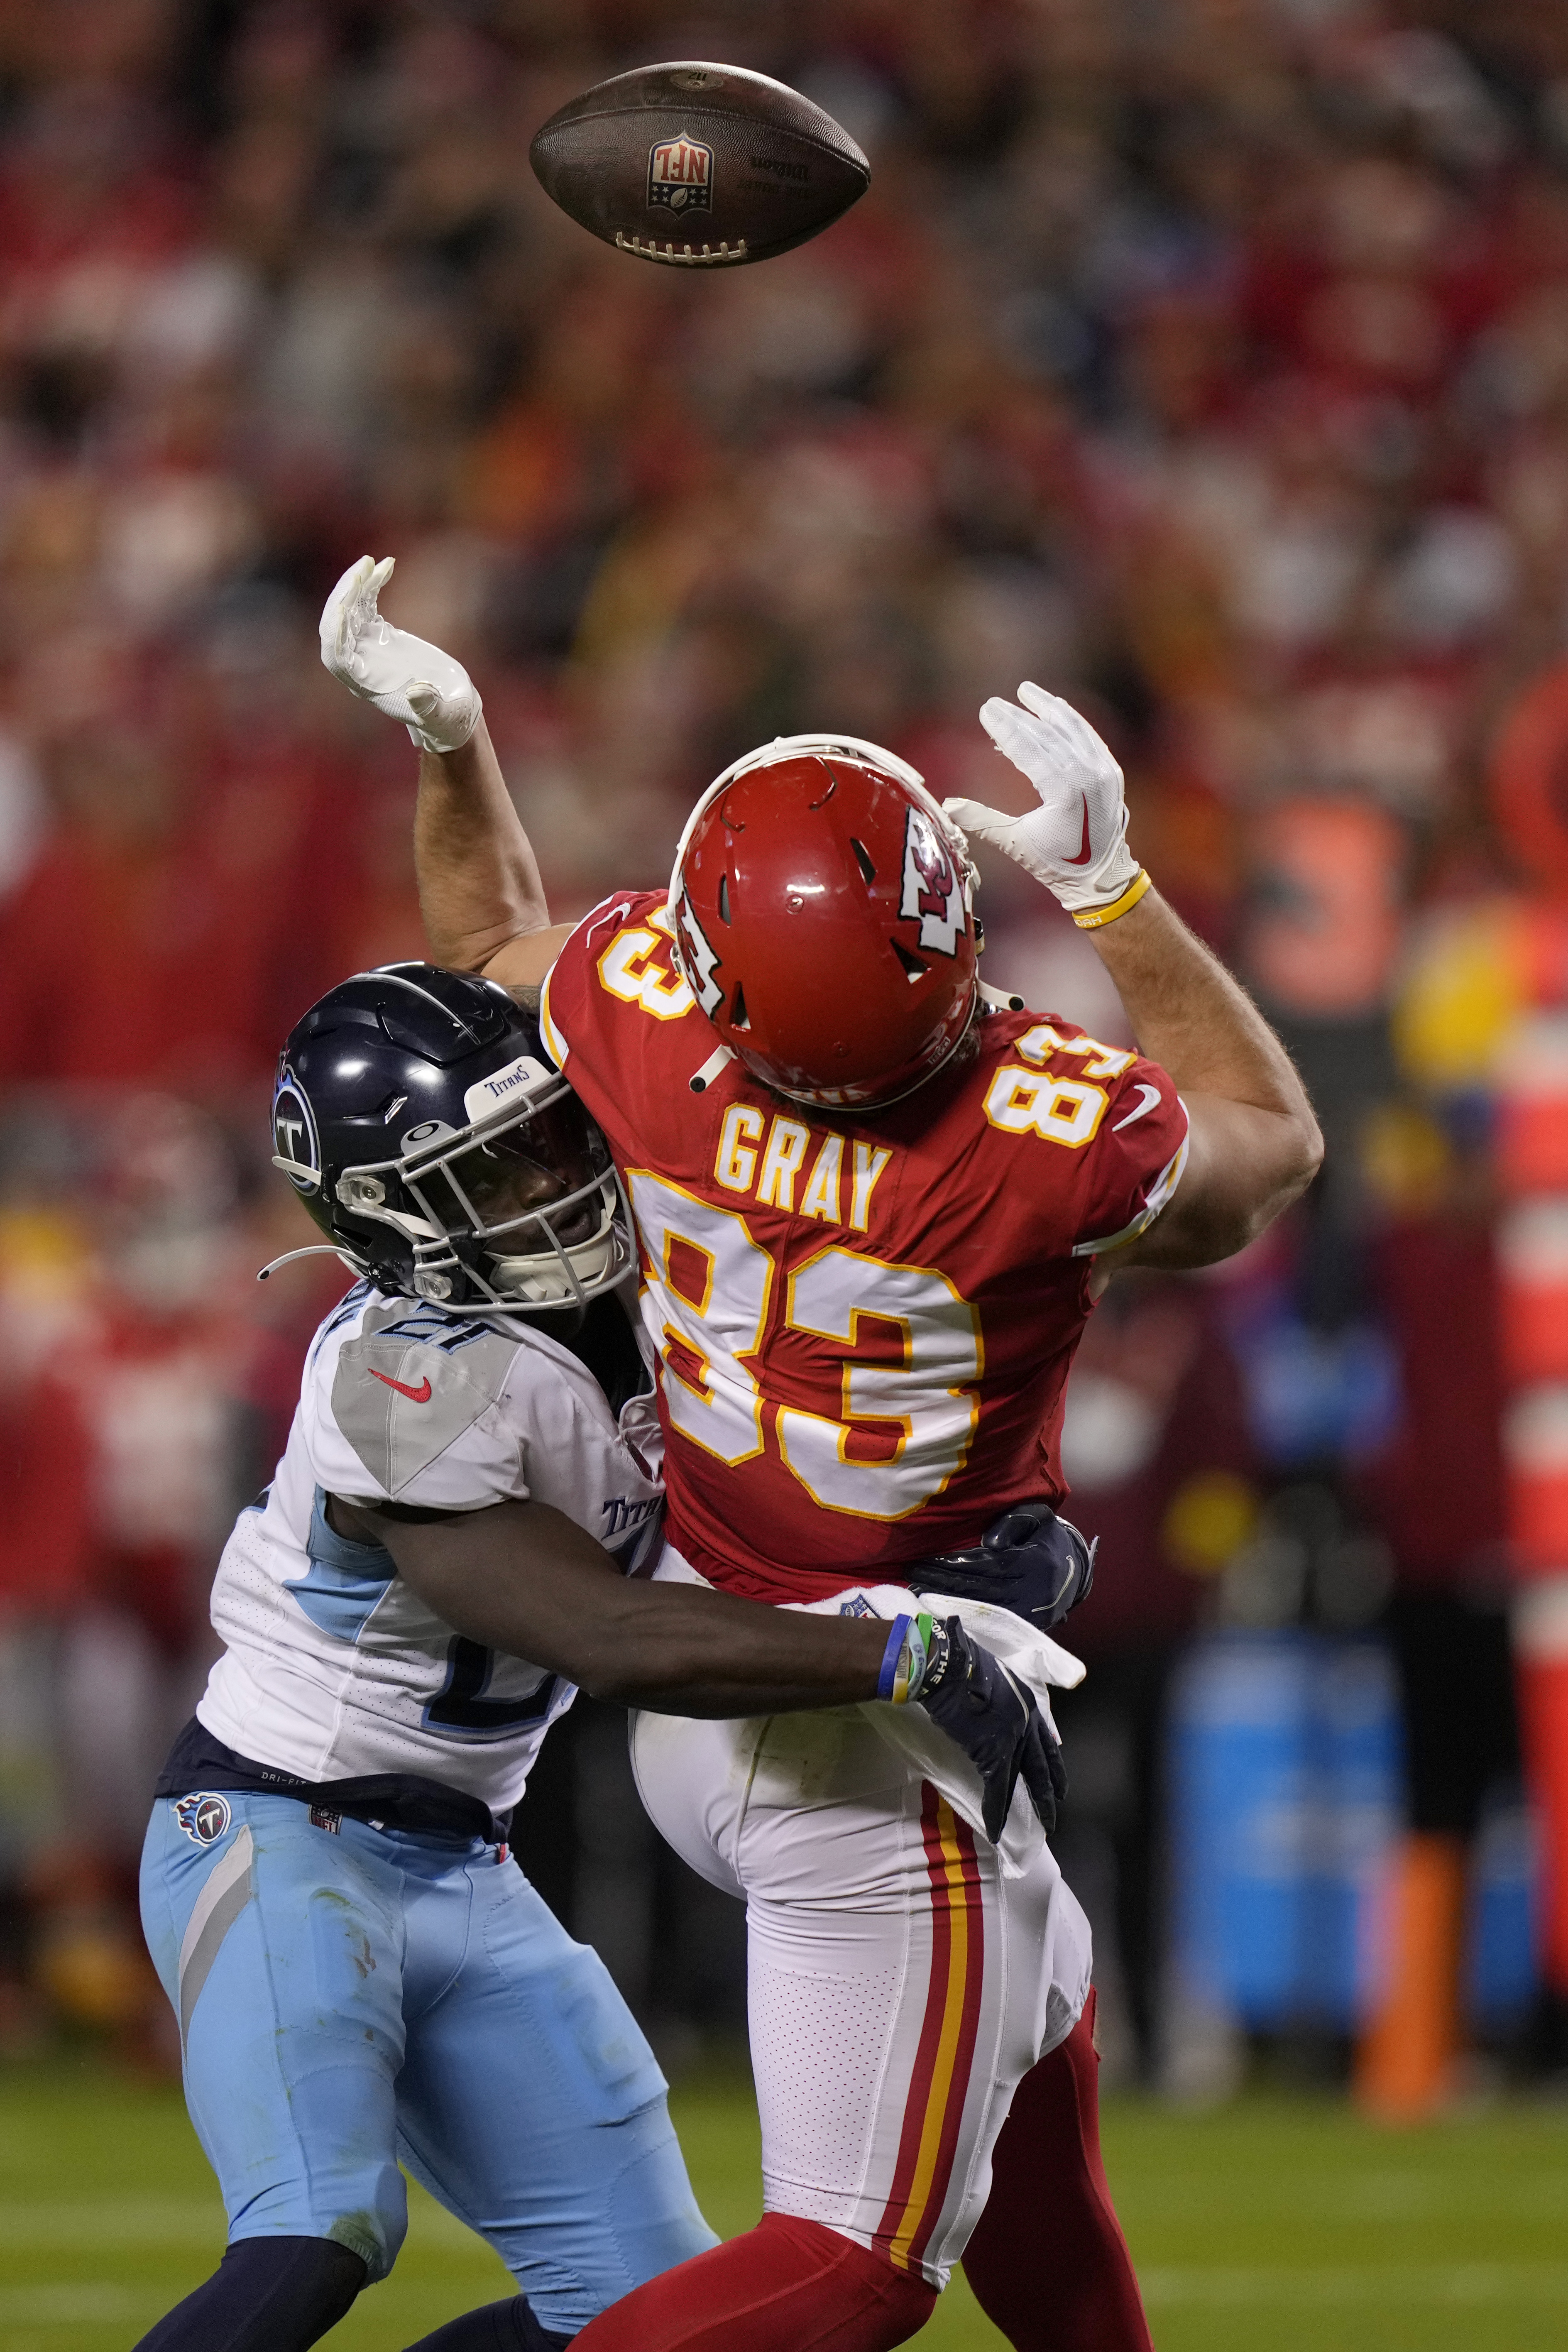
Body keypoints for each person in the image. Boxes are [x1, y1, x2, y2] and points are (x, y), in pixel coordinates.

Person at [323, 556, 1323, 2352]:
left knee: (1039, 2096)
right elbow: (1274, 1143)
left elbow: (482, 945)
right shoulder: (1039, 1134)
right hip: (884, 1710)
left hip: (722, 1657)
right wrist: (1112, 886)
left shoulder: (646, 1015)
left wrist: (457, 741)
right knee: (856, 2264)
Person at [136, 957, 1061, 2352]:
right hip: (280, 1831)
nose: (549, 1183)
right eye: (490, 1173)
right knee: (322, 2229)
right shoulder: (406, 1372)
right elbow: (606, 1635)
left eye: (550, 1138)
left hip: (466, 1858)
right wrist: (899, 1659)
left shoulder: (643, 1311)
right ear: (386, 1216)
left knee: (647, 2319)